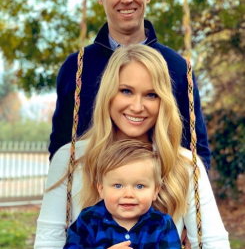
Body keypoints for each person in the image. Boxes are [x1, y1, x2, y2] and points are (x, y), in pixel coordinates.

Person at [34, 45, 230, 249]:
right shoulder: (70, 159)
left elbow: (213, 243)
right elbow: (48, 243)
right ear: (108, 94)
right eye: (126, 91)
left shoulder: (186, 165)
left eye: (151, 94)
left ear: (163, 101)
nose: (137, 107)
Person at [48, 0, 211, 171]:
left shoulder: (178, 68)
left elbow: (196, 151)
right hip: (89, 198)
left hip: (160, 200)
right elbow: (61, 147)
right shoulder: (75, 68)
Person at [64, 140, 182, 249]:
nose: (128, 194)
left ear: (155, 191)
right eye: (118, 186)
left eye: (139, 186)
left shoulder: (161, 224)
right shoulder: (88, 221)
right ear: (101, 189)